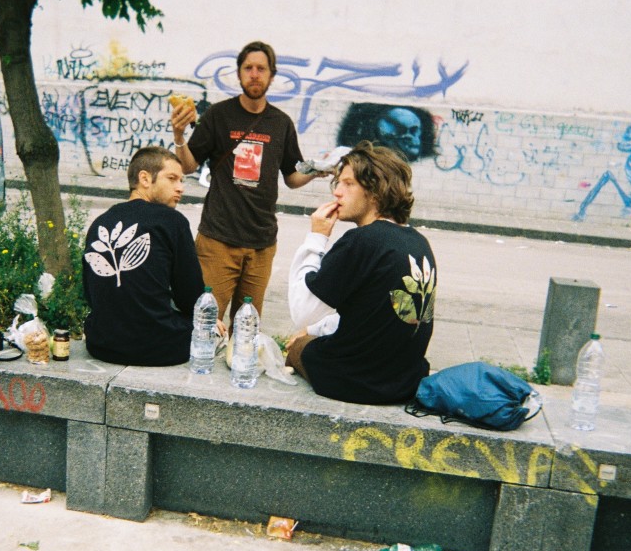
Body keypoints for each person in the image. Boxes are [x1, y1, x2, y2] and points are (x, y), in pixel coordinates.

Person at [170, 40, 319, 326]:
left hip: (261, 245)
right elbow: (189, 165)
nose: (254, 74)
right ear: (238, 74)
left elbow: (292, 176)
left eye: (261, 69)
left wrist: (317, 170)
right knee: (205, 323)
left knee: (245, 329)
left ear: (271, 76)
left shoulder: (281, 123)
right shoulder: (219, 115)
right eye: (248, 68)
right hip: (218, 241)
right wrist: (179, 136)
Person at [286, 141, 437, 405]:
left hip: (356, 380)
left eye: (348, 184)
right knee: (312, 334)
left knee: (297, 348)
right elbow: (372, 313)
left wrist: (316, 237)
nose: (337, 194)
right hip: (405, 380)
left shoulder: (361, 241)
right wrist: (314, 329)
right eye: (338, 184)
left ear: (375, 191)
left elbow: (302, 311)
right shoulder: (418, 241)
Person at [82, 146, 226, 366]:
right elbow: (190, 299)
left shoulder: (100, 223)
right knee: (212, 328)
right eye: (172, 179)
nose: (180, 188)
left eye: (182, 181)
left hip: (101, 345)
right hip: (158, 349)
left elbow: (92, 294)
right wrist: (209, 322)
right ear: (145, 179)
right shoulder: (171, 221)